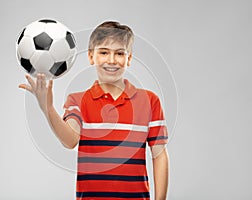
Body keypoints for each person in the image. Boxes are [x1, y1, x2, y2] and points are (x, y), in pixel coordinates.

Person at [19, 21, 169, 200]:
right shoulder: (78, 100)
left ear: (128, 59)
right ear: (91, 56)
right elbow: (70, 141)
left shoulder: (149, 101)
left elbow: (159, 155)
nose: (111, 60)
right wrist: (48, 108)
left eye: (120, 53)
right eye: (104, 52)